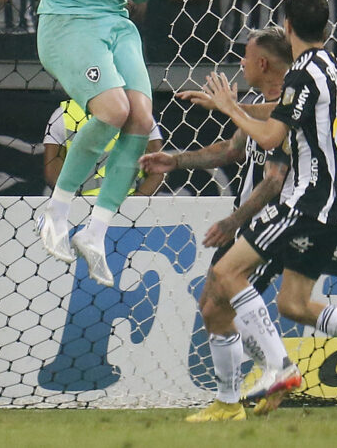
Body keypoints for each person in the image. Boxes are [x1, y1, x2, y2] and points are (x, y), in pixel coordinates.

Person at [197, 0, 337, 413]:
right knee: (293, 303)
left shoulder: (301, 72)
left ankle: (279, 367)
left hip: (308, 200)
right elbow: (285, 114)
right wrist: (238, 106)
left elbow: (271, 135)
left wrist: (229, 107)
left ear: (289, 26)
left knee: (226, 272)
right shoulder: (331, 66)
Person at [33, 0, 191, 287]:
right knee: (114, 109)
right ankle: (57, 215)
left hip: (116, 22)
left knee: (142, 120)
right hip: (68, 23)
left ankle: (95, 232)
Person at [139, 26, 293, 421]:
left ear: (262, 63)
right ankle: (234, 400)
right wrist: (176, 160)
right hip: (245, 225)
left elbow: (275, 181)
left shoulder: (294, 109)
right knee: (212, 309)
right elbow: (229, 150)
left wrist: (233, 220)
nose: (240, 63)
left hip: (270, 226)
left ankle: (277, 373)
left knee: (225, 297)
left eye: (245, 56)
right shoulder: (257, 105)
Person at [45, 98, 165, 195]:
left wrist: (135, 204)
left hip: (127, 210)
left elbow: (158, 172)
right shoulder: (63, 114)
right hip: (80, 210)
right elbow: (52, 173)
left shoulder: (139, 112)